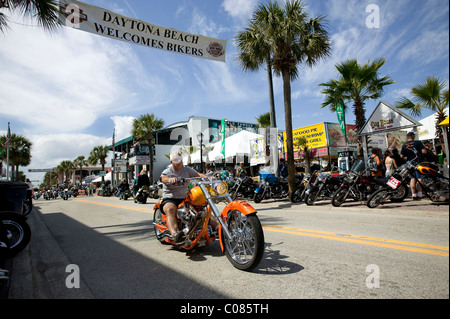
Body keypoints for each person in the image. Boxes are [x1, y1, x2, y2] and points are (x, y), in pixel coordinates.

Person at [160, 152, 214, 243]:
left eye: (180, 160)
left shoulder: (187, 170)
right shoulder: (168, 171)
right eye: (175, 160)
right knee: (170, 209)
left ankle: (219, 228)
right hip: (170, 198)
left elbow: (197, 175)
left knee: (201, 209)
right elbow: (163, 178)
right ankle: (175, 234)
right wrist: (169, 179)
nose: (178, 162)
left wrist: (210, 178)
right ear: (171, 162)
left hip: (184, 198)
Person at [401, 132, 427, 200]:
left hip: (410, 164)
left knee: (412, 179)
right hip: (418, 162)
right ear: (412, 136)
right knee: (420, 178)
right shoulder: (417, 142)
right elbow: (424, 152)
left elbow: (402, 156)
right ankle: (420, 194)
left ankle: (413, 194)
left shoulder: (404, 145)